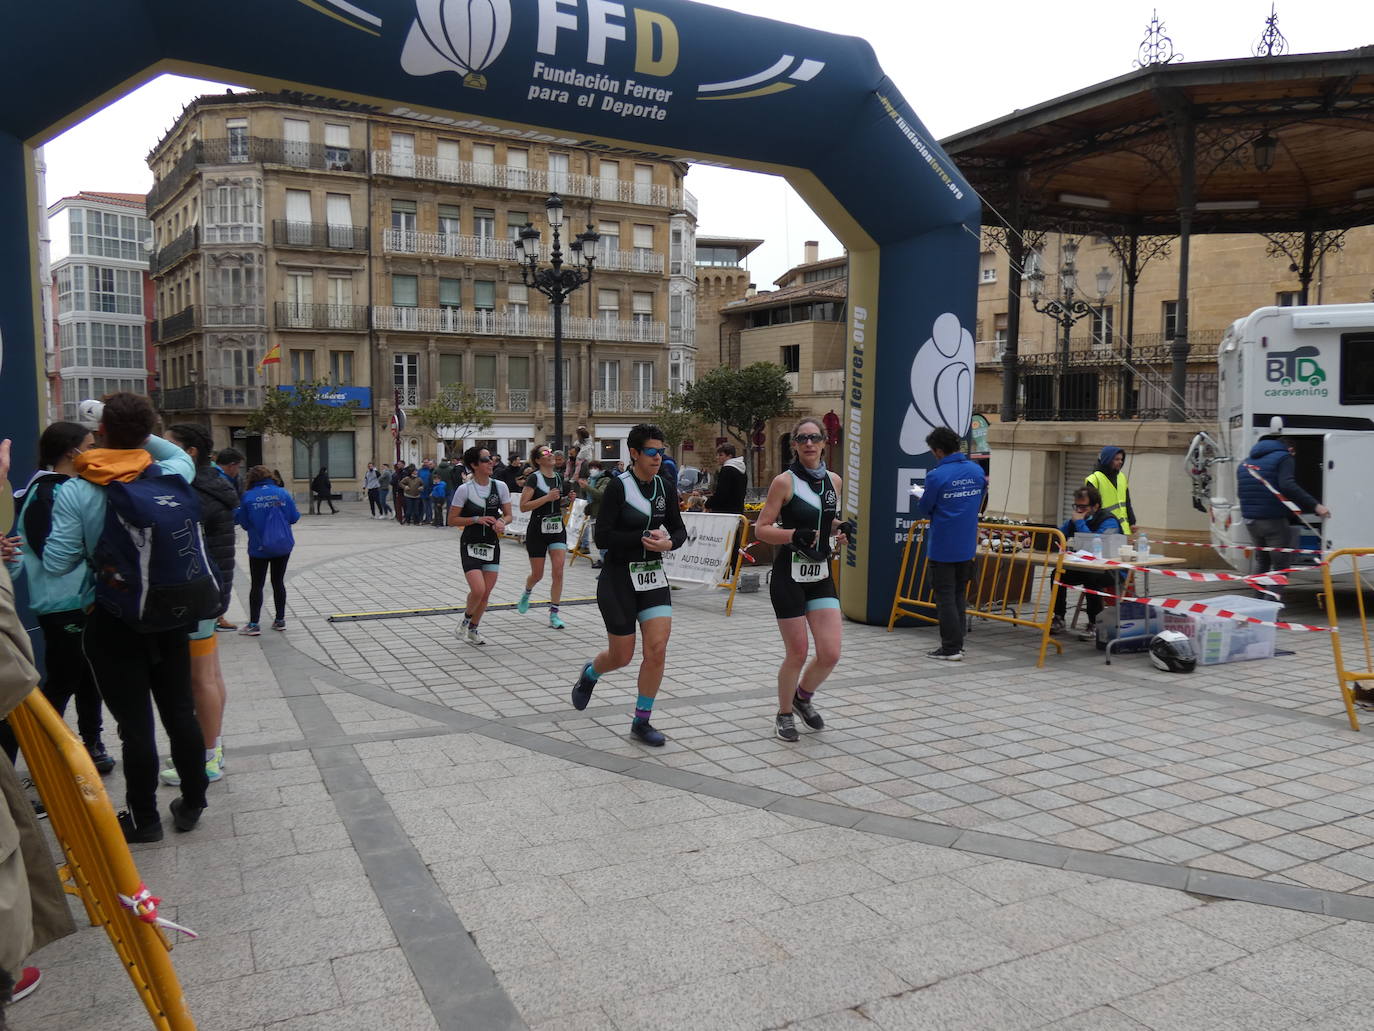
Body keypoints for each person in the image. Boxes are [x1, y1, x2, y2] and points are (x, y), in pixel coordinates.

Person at [41, 393, 210, 841]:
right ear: (148, 431)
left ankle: (144, 819)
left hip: (114, 619)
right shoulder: (171, 474)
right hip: (171, 614)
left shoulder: (78, 488)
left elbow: (57, 563)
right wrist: (140, 435)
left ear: (99, 433)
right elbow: (173, 451)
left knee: (135, 726)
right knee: (180, 713)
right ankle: (193, 801)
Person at [0, 441, 77, 1019]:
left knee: (70, 693)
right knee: (60, 692)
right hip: (73, 604)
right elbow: (11, 672)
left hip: (58, 606)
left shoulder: (35, 495)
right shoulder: (68, 493)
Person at [2, 422, 114, 774]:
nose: (94, 451)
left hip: (73, 602)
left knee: (87, 677)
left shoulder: (52, 489)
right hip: (63, 603)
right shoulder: (52, 493)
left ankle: (90, 743)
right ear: (72, 452)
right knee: (63, 680)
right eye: (89, 445)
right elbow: (52, 554)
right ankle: (46, 757)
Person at [571, 424, 687, 746]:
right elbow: (603, 536)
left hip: (652, 577)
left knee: (657, 649)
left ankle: (642, 721)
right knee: (621, 656)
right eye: (652, 452)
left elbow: (679, 530)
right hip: (619, 579)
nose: (658, 457)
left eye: (661, 452)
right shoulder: (618, 487)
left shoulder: (664, 486)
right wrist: (641, 538)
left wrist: (668, 544)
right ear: (634, 454)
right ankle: (590, 673)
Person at [752, 418, 853, 742]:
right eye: (802, 439)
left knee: (830, 652)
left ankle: (802, 697)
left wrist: (840, 528)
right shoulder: (784, 482)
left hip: (819, 573)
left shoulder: (834, 481)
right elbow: (762, 528)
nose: (809, 443)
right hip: (789, 575)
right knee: (797, 651)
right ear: (794, 445)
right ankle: (783, 713)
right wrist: (795, 534)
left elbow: (825, 519)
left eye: (814, 438)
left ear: (825, 442)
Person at [156, 424, 236, 786]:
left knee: (200, 677)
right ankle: (212, 747)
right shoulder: (211, 486)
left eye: (167, 446)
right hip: (209, 591)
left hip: (197, 594)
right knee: (210, 674)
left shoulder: (192, 493)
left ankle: (206, 756)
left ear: (188, 454)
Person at [916, 425, 987, 662]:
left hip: (943, 547)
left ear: (937, 451)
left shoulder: (936, 475)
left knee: (944, 597)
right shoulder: (976, 471)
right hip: (966, 545)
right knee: (958, 595)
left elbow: (925, 508)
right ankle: (958, 644)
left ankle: (950, 648)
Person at [1237, 434, 1330, 583]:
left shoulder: (1246, 462)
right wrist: (1315, 505)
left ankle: (1258, 600)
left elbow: (1240, 492)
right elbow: (1288, 485)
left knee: (1263, 561)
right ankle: (1273, 601)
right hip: (1273, 520)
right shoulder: (1284, 457)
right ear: (1291, 449)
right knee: (1281, 565)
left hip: (1250, 520)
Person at [449, 446, 512, 646]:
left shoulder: (500, 486)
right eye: (486, 459)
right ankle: (466, 620)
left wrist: (503, 522)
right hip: (470, 543)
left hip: (492, 544)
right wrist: (476, 518)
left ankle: (473, 630)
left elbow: (509, 514)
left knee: (486, 592)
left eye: (491, 458)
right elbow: (452, 519)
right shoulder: (464, 489)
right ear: (474, 465)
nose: (491, 462)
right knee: (478, 589)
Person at [235, 465, 300, 635]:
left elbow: (244, 523)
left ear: (251, 479)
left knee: (257, 584)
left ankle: (254, 624)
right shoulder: (282, 493)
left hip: (259, 547)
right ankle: (280, 620)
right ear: (270, 477)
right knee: (278, 582)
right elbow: (294, 518)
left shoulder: (248, 497)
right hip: (281, 546)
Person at [1053, 485, 1122, 641]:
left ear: (1095, 506)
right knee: (1057, 574)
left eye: (1083, 507)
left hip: (1110, 569)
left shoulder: (1109, 521)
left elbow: (1095, 545)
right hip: (1084, 566)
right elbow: (1058, 534)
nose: (1078, 510)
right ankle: (1059, 617)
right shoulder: (1076, 519)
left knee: (1092, 577)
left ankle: (1094, 624)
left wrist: (1079, 523)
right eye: (1076, 506)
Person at [517, 445, 569, 629]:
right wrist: (547, 498)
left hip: (556, 528)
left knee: (559, 570)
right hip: (537, 529)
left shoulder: (558, 478)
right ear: (538, 460)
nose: (551, 454)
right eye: (545, 453)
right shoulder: (534, 478)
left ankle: (554, 613)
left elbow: (558, 502)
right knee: (537, 574)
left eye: (551, 451)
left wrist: (566, 500)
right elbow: (524, 506)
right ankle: (527, 591)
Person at [212, 446, 244, 630]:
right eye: (238, 466)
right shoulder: (221, 481)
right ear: (231, 465)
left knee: (220, 576)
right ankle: (216, 617)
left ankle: (217, 617)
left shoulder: (226, 479)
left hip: (221, 533)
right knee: (221, 576)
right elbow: (234, 507)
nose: (238, 470)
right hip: (219, 534)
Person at [1085, 446, 1136, 536]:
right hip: (1104, 528)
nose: (1120, 462)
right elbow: (1090, 508)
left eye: (1121, 459)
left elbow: (1127, 502)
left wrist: (1132, 523)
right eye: (1116, 459)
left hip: (1123, 530)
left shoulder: (1121, 477)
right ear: (1107, 460)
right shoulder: (1094, 479)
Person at [705, 442, 747, 515]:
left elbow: (721, 493)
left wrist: (708, 504)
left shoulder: (727, 470)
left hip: (725, 512)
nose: (717, 457)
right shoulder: (741, 469)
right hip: (737, 510)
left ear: (729, 456)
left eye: (721, 455)